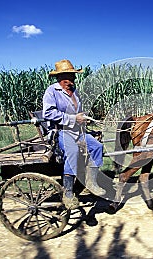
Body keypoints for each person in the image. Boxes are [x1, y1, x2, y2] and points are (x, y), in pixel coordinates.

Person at [42, 59, 105, 209]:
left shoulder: (74, 92)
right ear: (59, 77)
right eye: (68, 76)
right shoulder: (52, 91)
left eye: (73, 76)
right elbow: (48, 113)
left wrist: (83, 118)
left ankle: (91, 182)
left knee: (97, 147)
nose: (72, 80)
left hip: (77, 131)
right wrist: (73, 118)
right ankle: (68, 193)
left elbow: (77, 112)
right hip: (61, 131)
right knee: (73, 152)